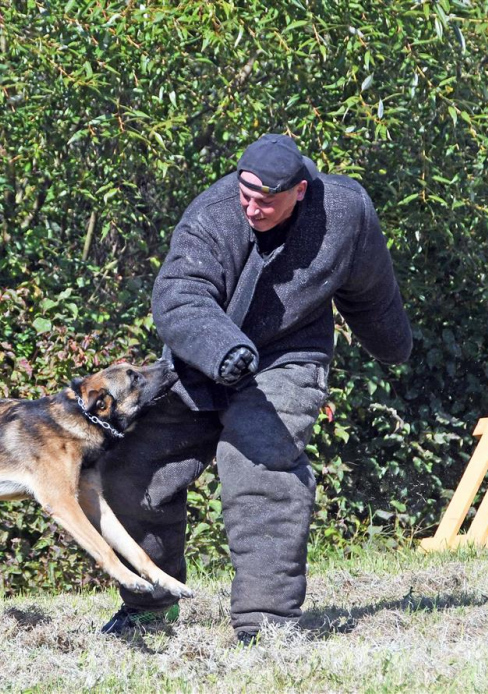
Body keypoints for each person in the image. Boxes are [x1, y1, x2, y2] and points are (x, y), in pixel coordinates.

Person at [98, 133, 412, 643]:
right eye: (246, 194)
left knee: (259, 466)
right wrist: (222, 350)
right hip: (203, 359)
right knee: (131, 470)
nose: (252, 207)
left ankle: (266, 626)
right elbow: (179, 296)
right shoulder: (214, 213)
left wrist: (395, 346)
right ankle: (149, 606)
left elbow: (370, 290)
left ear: (300, 192)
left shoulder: (345, 211)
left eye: (266, 199)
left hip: (289, 358)